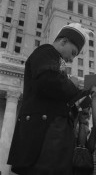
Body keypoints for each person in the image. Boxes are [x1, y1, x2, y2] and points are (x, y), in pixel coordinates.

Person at [7, 23, 90, 175]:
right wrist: (71, 85)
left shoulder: (55, 60)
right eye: (72, 52)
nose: (71, 59)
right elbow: (48, 81)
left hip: (53, 132)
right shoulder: (45, 51)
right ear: (63, 41)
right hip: (45, 134)